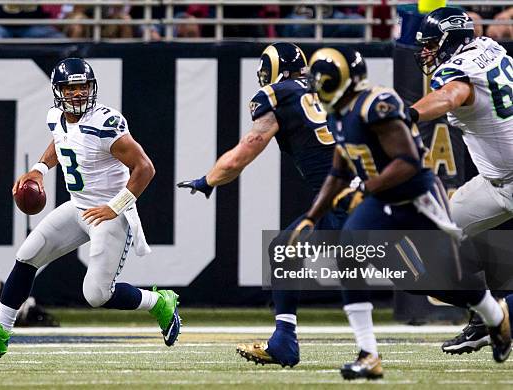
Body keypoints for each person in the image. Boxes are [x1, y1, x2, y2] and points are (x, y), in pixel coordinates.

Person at [304, 46, 512, 379]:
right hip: (398, 195)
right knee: (353, 252)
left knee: (447, 269)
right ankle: (368, 354)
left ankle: (494, 315)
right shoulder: (338, 113)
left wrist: (365, 188)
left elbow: (410, 162)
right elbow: (338, 170)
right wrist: (311, 216)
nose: (318, 91)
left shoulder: (379, 106)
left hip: (417, 197)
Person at [0, 58, 181, 357]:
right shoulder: (56, 117)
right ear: (58, 91)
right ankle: (0, 333)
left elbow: (145, 168)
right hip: (78, 207)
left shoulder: (104, 123)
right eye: (71, 87)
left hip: (108, 213)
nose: (77, 93)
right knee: (27, 256)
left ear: (92, 88)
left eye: (83, 86)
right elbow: (61, 142)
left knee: (97, 294)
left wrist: (115, 206)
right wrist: (38, 169)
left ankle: (159, 302)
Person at [177, 42, 370, 368]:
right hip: (360, 190)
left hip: (344, 199)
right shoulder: (323, 86)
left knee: (417, 274)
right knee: (285, 249)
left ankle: (485, 311)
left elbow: (247, 148)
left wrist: (208, 180)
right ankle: (283, 341)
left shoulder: (277, 94)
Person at [410, 7, 513, 355]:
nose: (425, 51)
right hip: (494, 182)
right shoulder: (490, 46)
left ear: (449, 39)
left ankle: (501, 317)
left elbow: (451, 95)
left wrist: (407, 115)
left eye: (429, 44)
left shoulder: (458, 70)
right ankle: (485, 316)